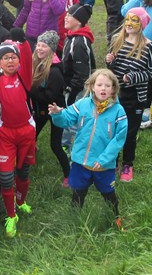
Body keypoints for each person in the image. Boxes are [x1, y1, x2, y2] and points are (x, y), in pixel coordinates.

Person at [49, 69, 126, 226]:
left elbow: (119, 139)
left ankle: (116, 217)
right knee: (78, 192)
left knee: (108, 193)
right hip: (81, 161)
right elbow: (66, 119)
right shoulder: (83, 104)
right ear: (92, 86)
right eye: (99, 85)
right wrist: (57, 114)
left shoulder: (118, 111)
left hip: (103, 165)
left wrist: (104, 159)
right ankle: (74, 221)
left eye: (107, 86)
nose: (103, 88)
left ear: (113, 89)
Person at [106, 8, 152, 182]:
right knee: (113, 129)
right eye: (127, 19)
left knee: (129, 132)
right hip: (115, 93)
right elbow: (111, 67)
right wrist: (109, 61)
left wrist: (133, 77)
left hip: (135, 96)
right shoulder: (116, 39)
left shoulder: (148, 46)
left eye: (134, 20)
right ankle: (113, 161)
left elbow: (150, 72)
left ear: (141, 24)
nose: (129, 23)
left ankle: (128, 164)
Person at [0, 33, 36, 237]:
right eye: (5, 58)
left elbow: (27, 57)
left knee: (24, 172)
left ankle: (21, 202)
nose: (10, 61)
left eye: (13, 57)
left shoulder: (23, 77)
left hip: (26, 131)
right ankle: (11, 216)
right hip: (6, 134)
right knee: (6, 177)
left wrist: (24, 42)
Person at [28, 31, 71, 186]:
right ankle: (30, 156)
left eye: (44, 46)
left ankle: (69, 174)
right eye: (38, 45)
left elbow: (49, 96)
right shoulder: (36, 63)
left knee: (56, 145)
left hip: (55, 111)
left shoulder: (54, 71)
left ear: (52, 49)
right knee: (30, 136)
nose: (39, 48)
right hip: (41, 110)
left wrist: (30, 89)